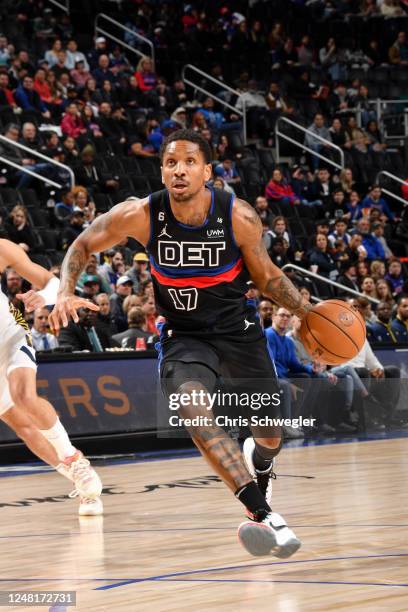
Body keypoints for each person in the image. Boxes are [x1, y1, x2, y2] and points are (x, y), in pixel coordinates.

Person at [50, 128, 314, 559]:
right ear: (162, 170)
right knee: (193, 411)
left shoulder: (238, 216)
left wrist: (305, 312)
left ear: (208, 171)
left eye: (189, 162)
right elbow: (83, 244)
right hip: (183, 337)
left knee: (269, 434)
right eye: (171, 162)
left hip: (238, 332)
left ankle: (261, 463)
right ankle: (263, 514)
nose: (179, 170)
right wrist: (65, 289)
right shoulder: (140, 214)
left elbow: (265, 277)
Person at [0, 239, 102, 515]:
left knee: (24, 396)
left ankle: (74, 458)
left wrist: (42, 297)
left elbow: (49, 282)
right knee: (22, 426)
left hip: (9, 333)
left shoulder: (1, 248)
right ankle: (82, 482)